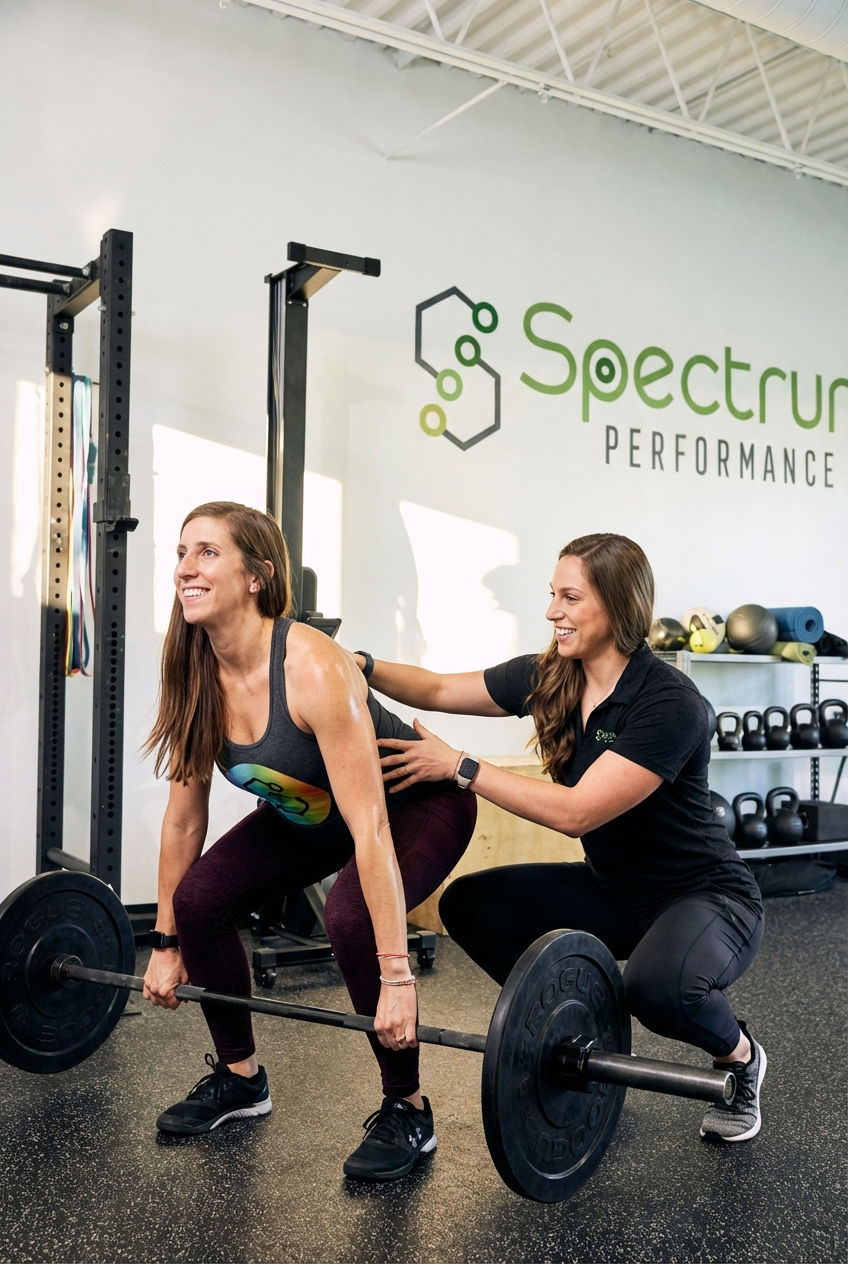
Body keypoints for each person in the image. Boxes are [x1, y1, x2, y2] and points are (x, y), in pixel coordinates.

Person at [353, 532, 767, 1143]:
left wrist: (462, 767)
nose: (552, 612)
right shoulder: (550, 677)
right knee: (473, 906)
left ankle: (741, 1060)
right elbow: (439, 689)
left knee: (656, 989)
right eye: (552, 595)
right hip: (616, 892)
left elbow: (578, 813)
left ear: (618, 606)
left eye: (570, 598)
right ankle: (581, 1035)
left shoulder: (670, 703)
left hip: (705, 897)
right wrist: (357, 665)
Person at [142, 501, 476, 1181]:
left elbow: (371, 825)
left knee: (351, 917)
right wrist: (167, 941)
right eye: (182, 551)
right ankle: (241, 1080)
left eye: (207, 552)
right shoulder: (194, 668)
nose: (185, 567)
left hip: (415, 806)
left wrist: (396, 975)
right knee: (200, 899)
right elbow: (183, 820)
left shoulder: (312, 666)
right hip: (314, 814)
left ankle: (407, 1107)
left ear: (256, 576)